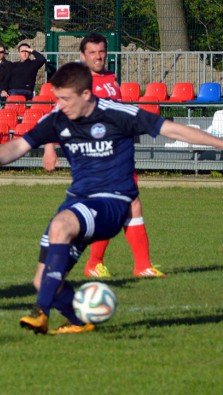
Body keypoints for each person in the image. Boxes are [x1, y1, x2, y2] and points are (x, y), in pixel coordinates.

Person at [0, 62, 223, 335]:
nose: (61, 105)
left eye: (66, 99)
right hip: (77, 201)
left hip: (112, 202)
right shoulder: (57, 119)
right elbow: (20, 144)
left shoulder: (118, 113)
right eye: (58, 99)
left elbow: (172, 129)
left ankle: (39, 313)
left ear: (85, 94)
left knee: (61, 224)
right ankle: (80, 321)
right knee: (43, 280)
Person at [41, 33, 161, 280]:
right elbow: (59, 114)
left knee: (124, 206)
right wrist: (50, 147)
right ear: (83, 55)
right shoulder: (78, 82)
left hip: (118, 154)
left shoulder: (110, 79)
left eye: (102, 51)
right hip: (97, 158)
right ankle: (136, 265)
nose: (98, 56)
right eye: (93, 52)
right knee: (127, 204)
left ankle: (103, 263)